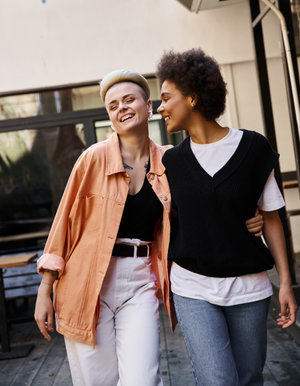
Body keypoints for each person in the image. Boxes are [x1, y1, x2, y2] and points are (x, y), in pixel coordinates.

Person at [34, 68, 263, 386]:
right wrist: (45, 290)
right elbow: (63, 225)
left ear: (148, 104)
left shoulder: (172, 161)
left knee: (143, 379)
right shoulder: (92, 159)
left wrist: (251, 218)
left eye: (129, 100)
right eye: (113, 106)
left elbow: (206, 205)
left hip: (140, 282)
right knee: (96, 382)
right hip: (85, 282)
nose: (121, 108)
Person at [156, 48, 299, 386]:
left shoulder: (253, 148)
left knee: (249, 377)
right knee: (217, 380)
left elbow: (273, 217)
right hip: (192, 286)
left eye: (165, 97)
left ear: (192, 97)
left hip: (248, 286)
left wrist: (286, 284)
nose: (159, 107)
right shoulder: (170, 163)